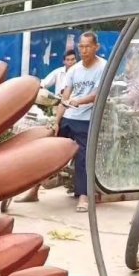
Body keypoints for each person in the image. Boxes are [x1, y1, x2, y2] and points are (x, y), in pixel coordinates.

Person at [16, 51, 77, 203]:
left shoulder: (80, 72)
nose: (71, 62)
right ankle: (34, 191)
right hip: (59, 113)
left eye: (73, 59)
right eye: (68, 59)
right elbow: (43, 83)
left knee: (77, 152)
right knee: (48, 152)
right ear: (64, 61)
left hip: (77, 115)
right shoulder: (58, 73)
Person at [60, 31, 107, 213]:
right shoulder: (74, 70)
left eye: (88, 46)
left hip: (87, 120)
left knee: (82, 159)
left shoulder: (103, 68)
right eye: (81, 46)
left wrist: (79, 101)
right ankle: (34, 190)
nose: (84, 50)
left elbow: (97, 95)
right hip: (69, 117)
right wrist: (57, 120)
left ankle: (84, 196)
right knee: (50, 150)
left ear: (96, 47)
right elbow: (66, 95)